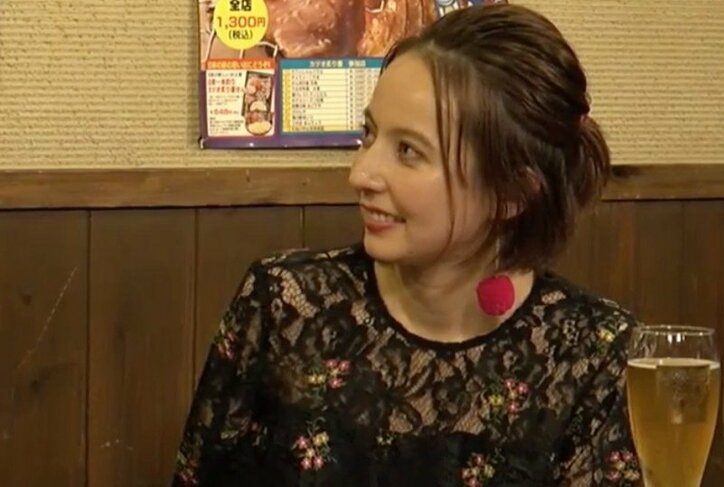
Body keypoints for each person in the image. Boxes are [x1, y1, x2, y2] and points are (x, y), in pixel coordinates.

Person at [172, 3, 642, 486]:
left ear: (511, 194)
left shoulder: (594, 352)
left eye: (408, 151)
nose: (361, 174)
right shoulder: (285, 304)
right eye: (369, 134)